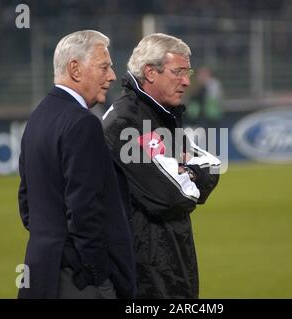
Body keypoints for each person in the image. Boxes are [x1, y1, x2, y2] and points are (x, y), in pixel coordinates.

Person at [18, 30, 135, 299]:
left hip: (39, 273)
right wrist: (97, 274)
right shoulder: (83, 123)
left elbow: (27, 204)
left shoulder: (38, 117)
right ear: (75, 69)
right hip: (78, 281)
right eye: (104, 67)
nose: (112, 76)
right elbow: (85, 211)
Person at [102, 33, 221, 298]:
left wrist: (184, 172)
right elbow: (174, 195)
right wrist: (189, 173)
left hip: (173, 262)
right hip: (145, 273)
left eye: (187, 72)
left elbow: (213, 166)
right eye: (178, 72)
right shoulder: (125, 122)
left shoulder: (162, 113)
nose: (186, 81)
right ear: (150, 73)